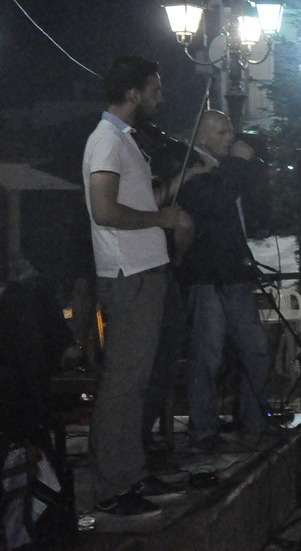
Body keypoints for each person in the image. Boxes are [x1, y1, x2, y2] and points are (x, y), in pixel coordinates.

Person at [83, 56, 192, 516]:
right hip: (129, 276)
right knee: (124, 385)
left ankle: (131, 474)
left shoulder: (124, 140)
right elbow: (104, 211)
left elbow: (135, 203)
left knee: (138, 382)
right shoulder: (106, 140)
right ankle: (111, 489)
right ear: (134, 93)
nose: (160, 98)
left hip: (146, 272)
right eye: (155, 89)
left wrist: (171, 198)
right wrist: (161, 219)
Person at [175, 110, 270, 452]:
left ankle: (253, 422)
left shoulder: (227, 169)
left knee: (256, 351)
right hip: (207, 278)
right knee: (208, 355)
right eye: (222, 132)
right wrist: (239, 165)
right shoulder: (192, 171)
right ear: (201, 137)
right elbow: (215, 204)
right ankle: (203, 430)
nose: (230, 137)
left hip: (234, 275)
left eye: (230, 131)